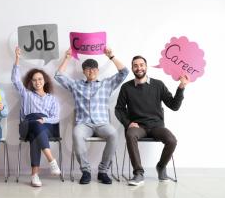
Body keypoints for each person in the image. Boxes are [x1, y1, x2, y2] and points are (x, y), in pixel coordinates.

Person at [54, 48, 129, 184]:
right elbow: (58, 76)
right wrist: (67, 58)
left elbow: (124, 72)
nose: (91, 71)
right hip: (84, 124)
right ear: (83, 72)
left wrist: (111, 56)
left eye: (94, 69)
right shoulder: (76, 85)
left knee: (113, 134)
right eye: (88, 69)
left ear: (98, 71)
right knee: (76, 134)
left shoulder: (106, 84)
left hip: (102, 123)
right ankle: (86, 171)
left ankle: (103, 171)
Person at [115, 55, 190, 186]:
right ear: (132, 68)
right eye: (135, 65)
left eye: (141, 65)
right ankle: (138, 173)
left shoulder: (158, 85)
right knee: (130, 134)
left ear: (146, 66)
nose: (139, 68)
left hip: (156, 126)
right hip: (138, 127)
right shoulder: (126, 87)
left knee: (171, 140)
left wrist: (181, 87)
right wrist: (128, 123)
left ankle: (161, 167)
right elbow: (119, 109)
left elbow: (174, 106)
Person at [12, 47, 61, 187]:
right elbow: (15, 80)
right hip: (27, 125)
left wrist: (44, 120)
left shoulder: (52, 99)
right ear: (31, 82)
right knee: (34, 125)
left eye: (40, 79)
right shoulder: (26, 94)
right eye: (34, 80)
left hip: (46, 126)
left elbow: (56, 117)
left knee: (37, 131)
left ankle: (35, 175)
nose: (37, 82)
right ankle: (51, 160)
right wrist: (17, 58)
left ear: (44, 81)